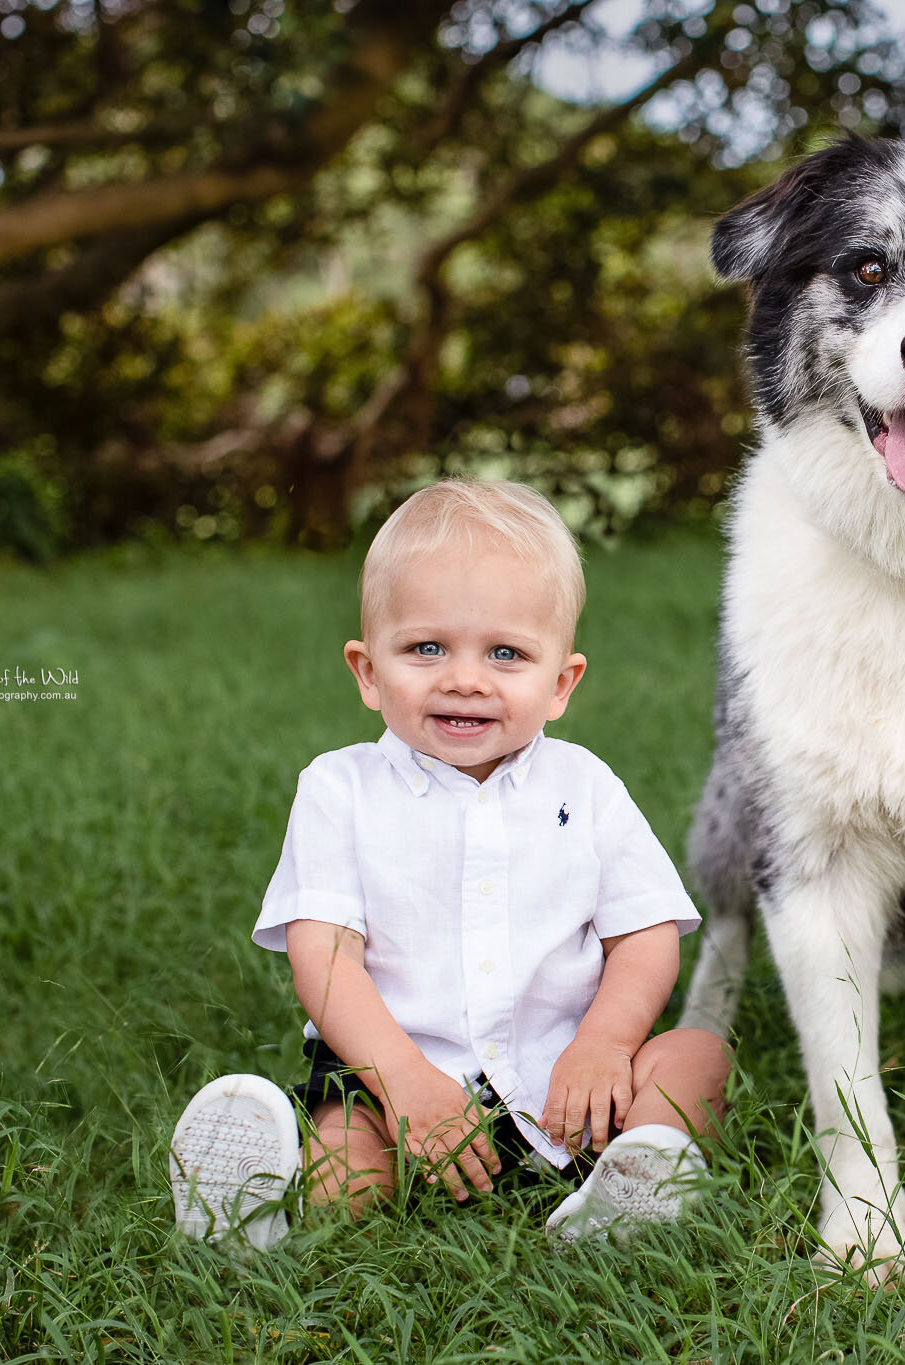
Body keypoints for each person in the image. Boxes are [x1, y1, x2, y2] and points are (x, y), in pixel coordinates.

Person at [168, 478, 730, 1253]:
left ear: (561, 683)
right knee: (349, 1168)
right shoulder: (339, 789)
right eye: (427, 647)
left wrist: (604, 1041)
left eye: (506, 653)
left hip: (568, 1082)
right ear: (368, 671)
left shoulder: (587, 786)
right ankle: (253, 1214)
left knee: (696, 1055)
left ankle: (629, 1188)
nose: (464, 677)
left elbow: (644, 933)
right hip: (391, 1080)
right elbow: (323, 953)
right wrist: (402, 1081)